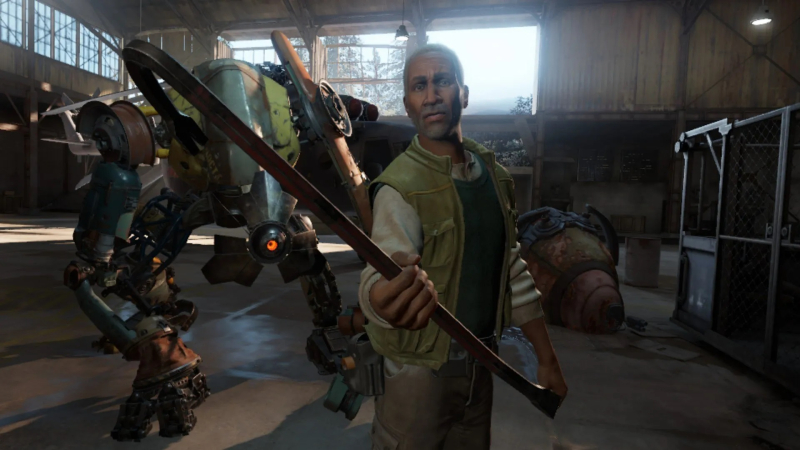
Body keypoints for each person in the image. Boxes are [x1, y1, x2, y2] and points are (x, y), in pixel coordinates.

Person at [358, 43, 568, 450]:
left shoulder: (494, 177)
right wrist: (379, 301)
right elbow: (379, 273)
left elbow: (511, 269)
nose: (432, 95)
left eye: (443, 81)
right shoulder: (399, 187)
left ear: (464, 94)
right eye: (419, 86)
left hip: (481, 365)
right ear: (409, 104)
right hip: (419, 373)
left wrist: (547, 358)